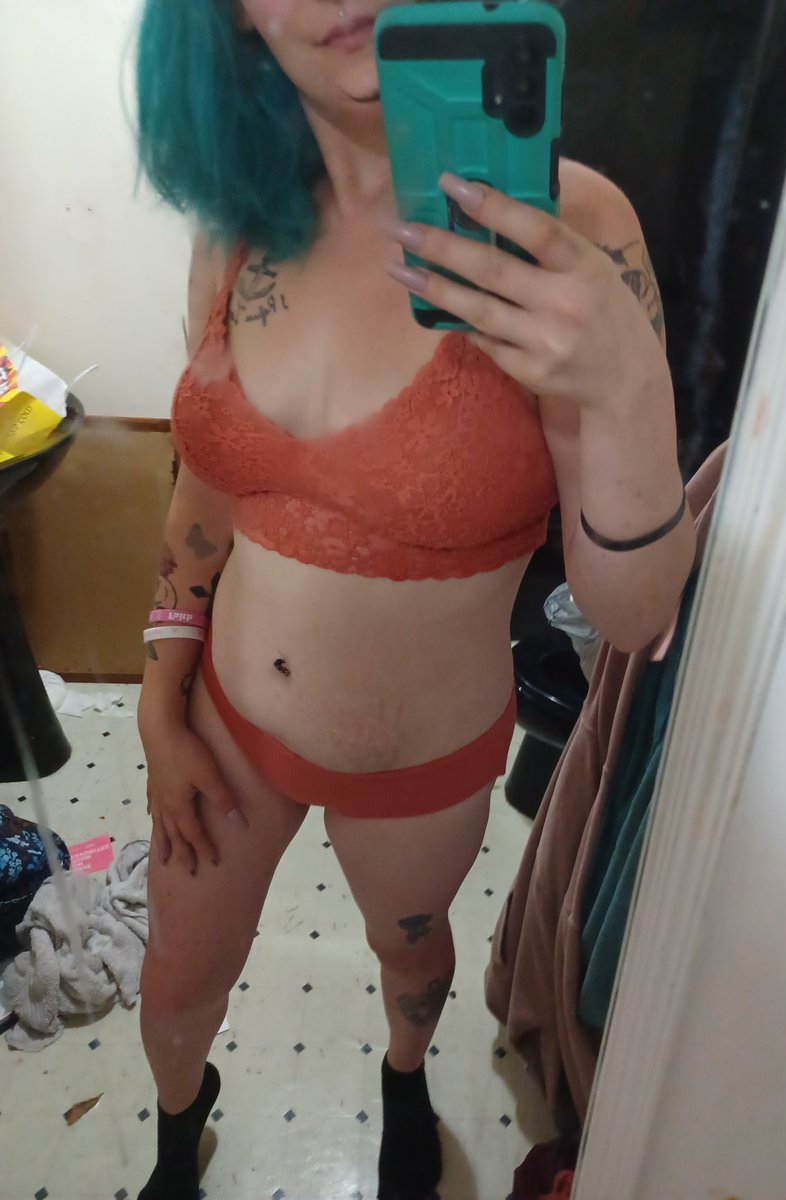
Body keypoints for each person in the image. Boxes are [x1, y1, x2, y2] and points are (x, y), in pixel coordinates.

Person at [133, 2, 696, 1198]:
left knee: (413, 959)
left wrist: (627, 392)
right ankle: (178, 1138)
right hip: (227, 722)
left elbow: (635, 616)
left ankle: (403, 1077)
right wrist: (158, 691)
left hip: (421, 760)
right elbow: (205, 487)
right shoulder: (237, 216)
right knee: (174, 978)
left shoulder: (569, 231)